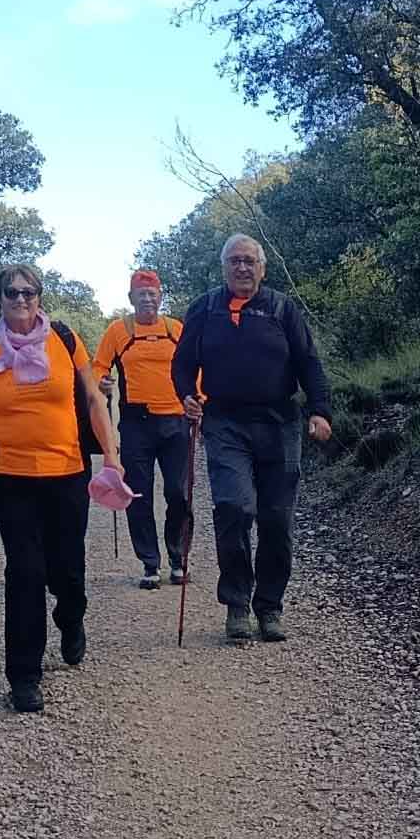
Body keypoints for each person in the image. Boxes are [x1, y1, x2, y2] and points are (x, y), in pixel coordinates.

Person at [0, 263, 121, 714]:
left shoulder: (64, 339)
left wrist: (112, 457)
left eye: (29, 291)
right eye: (11, 292)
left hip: (67, 471)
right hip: (10, 476)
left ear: (40, 296)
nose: (21, 299)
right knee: (25, 571)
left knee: (67, 569)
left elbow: (93, 398)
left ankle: (71, 616)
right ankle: (24, 676)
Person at [170, 234, 333, 643]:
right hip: (225, 422)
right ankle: (237, 604)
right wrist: (187, 395)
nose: (242, 267)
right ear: (223, 267)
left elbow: (309, 362)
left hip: (280, 423)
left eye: (249, 261)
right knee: (234, 508)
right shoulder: (205, 308)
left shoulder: (282, 308)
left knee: (276, 520)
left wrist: (320, 410)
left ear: (263, 267)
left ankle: (270, 607)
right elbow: (182, 364)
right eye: (234, 261)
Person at [91, 270, 188, 590]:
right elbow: (98, 366)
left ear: (160, 297)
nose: (147, 299)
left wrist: (199, 399)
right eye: (141, 294)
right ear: (131, 298)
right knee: (138, 494)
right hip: (136, 423)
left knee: (178, 492)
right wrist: (102, 382)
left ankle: (179, 558)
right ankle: (150, 563)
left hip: (176, 421)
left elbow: (194, 366)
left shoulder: (175, 329)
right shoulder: (119, 330)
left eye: (152, 294)